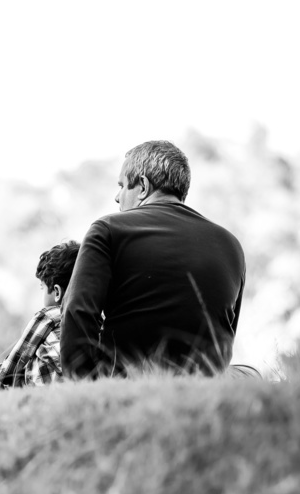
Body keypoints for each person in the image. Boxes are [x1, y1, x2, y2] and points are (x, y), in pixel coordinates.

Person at [61, 140, 246, 379]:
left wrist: (86, 385)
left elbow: (77, 313)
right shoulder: (231, 245)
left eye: (122, 186)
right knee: (247, 372)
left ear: (143, 187)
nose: (117, 197)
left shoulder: (108, 229)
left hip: (125, 386)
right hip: (206, 388)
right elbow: (225, 334)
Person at [0, 240, 81, 390]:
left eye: (42, 288)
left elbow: (9, 368)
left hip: (42, 391)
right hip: (75, 384)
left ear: (57, 292)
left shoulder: (50, 315)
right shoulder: (96, 319)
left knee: (24, 364)